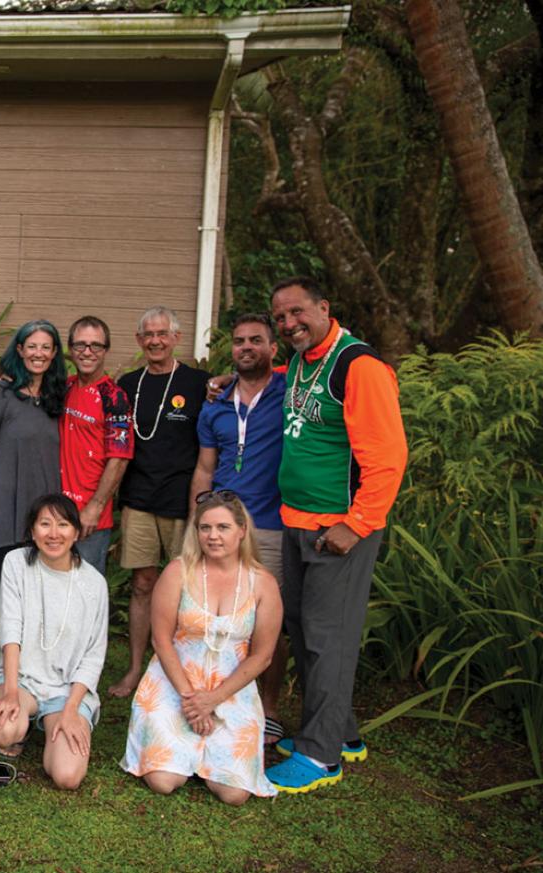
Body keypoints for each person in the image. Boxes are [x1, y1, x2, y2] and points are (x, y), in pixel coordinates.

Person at [264, 277, 407, 794]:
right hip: (298, 521)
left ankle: (321, 756)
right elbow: (290, 384)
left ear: (324, 308)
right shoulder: (303, 361)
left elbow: (389, 459)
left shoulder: (359, 366)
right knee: (303, 628)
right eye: (280, 318)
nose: (288, 324)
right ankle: (339, 733)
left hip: (339, 529)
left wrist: (357, 524)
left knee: (329, 639)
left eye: (297, 313)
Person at [119, 490, 282, 805]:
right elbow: (161, 639)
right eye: (205, 528)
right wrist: (191, 699)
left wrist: (214, 699)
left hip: (231, 687)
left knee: (234, 794)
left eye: (223, 528)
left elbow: (263, 656)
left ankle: (207, 757)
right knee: (163, 781)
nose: (213, 536)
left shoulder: (262, 583)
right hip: (175, 681)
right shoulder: (178, 571)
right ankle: (184, 753)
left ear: (242, 531)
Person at [189, 312, 290, 746]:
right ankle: (206, 692)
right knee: (208, 610)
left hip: (270, 525)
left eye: (256, 341)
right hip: (220, 522)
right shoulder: (215, 403)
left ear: (272, 348)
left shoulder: (288, 391)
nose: (246, 347)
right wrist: (197, 518)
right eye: (238, 342)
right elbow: (204, 468)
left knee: (269, 622)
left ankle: (268, 706)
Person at [109, 307, 210, 697]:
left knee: (190, 589)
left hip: (183, 503)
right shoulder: (127, 384)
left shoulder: (199, 383)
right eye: (148, 334)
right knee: (142, 584)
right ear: (139, 340)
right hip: (138, 500)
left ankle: (183, 671)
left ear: (176, 338)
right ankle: (136, 668)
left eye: (162, 334)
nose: (155, 341)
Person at [0, 494, 109, 791]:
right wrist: (10, 691)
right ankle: (23, 725)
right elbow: (10, 630)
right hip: (21, 679)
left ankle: (51, 724)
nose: (54, 534)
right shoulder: (16, 564)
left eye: (63, 525)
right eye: (45, 524)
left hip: (66, 689)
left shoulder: (93, 584)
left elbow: (94, 654)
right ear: (32, 530)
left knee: (67, 776)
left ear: (76, 532)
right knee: (3, 731)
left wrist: (71, 709)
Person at [0, 320, 66, 650]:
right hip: (2, 504)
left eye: (45, 347)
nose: (38, 353)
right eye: (31, 346)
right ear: (19, 350)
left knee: (35, 592)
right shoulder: (2, 392)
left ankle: (21, 666)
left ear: (54, 353)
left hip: (42, 509)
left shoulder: (57, 395)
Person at [60, 315, 134, 578]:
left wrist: (95, 507)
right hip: (56, 512)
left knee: (86, 595)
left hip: (90, 518)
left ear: (106, 350)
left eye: (95, 346)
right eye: (80, 345)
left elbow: (120, 458)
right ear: (70, 349)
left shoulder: (114, 398)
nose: (87, 352)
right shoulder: (64, 388)